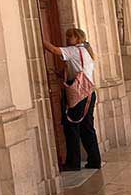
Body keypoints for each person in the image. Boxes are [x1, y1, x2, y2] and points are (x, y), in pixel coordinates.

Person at [43, 27, 102, 171]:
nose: (67, 39)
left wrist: (41, 39)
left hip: (79, 94)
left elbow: (55, 51)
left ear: (77, 38)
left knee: (72, 127)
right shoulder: (85, 51)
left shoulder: (75, 50)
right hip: (88, 93)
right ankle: (94, 160)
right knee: (86, 127)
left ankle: (73, 162)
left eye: (70, 37)